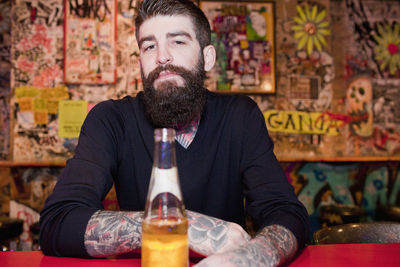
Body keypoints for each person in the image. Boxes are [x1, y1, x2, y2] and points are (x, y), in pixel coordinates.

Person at [39, 0, 310, 266]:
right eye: (149, 46)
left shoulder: (240, 116)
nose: (161, 56)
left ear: (207, 57)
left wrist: (253, 257)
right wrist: (185, 227)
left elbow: (286, 212)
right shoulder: (111, 120)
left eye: (178, 41)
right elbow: (58, 221)